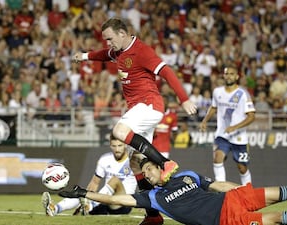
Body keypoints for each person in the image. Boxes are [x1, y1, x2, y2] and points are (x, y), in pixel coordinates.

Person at [71, 18, 197, 225]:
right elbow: (104, 54)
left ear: (123, 33)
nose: (108, 43)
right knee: (136, 163)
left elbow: (167, 72)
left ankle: (166, 163)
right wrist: (84, 56)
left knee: (119, 131)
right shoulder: (118, 50)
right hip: (139, 109)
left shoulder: (142, 51)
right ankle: (154, 217)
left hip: (150, 105)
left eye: (110, 38)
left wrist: (184, 99)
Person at [59, 158, 287, 225]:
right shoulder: (151, 197)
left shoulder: (186, 175)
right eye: (145, 172)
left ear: (160, 170)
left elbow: (216, 185)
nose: (147, 174)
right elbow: (113, 198)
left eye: (150, 169)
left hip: (232, 197)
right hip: (225, 221)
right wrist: (83, 193)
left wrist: (241, 189)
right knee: (279, 220)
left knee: (285, 190)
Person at [41, 134, 137, 216]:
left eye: (120, 145)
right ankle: (54, 209)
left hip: (123, 203)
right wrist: (85, 195)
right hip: (105, 201)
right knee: (81, 193)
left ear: (125, 145)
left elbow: (145, 182)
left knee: (114, 180)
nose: (117, 149)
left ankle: (89, 206)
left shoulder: (133, 160)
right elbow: (95, 183)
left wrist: (145, 203)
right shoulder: (105, 159)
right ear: (110, 145)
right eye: (114, 146)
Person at [199, 66, 256, 185]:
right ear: (224, 76)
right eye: (227, 74)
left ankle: (248, 191)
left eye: (231, 74)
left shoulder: (243, 94)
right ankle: (222, 190)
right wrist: (205, 121)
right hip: (222, 134)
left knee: (242, 168)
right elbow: (214, 107)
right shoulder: (217, 92)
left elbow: (251, 116)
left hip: (239, 138)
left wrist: (235, 127)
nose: (229, 76)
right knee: (217, 158)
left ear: (237, 76)